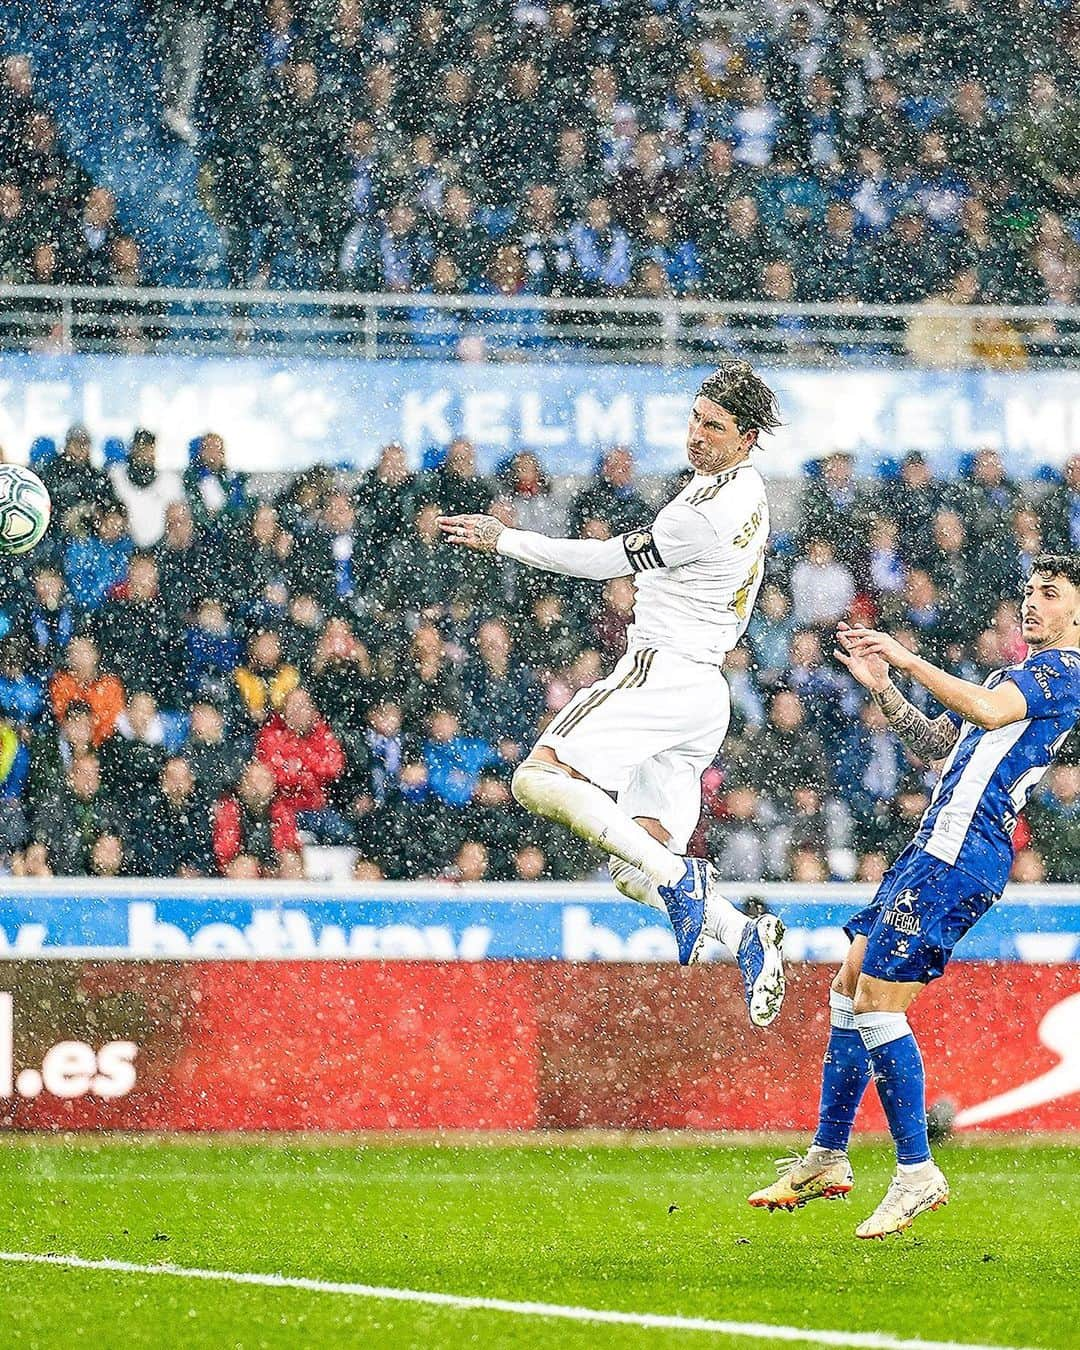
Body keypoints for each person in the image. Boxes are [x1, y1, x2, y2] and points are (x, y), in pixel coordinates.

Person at [438, 359, 786, 1027]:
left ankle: (688, 882)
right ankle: (742, 934)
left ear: (745, 439)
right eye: (694, 419)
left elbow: (602, 562)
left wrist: (505, 538)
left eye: (713, 427)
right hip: (703, 693)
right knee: (635, 869)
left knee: (536, 781)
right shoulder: (746, 489)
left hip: (665, 672)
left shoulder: (705, 515)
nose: (696, 436)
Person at [748, 555, 1080, 1237]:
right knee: (848, 983)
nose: (1032, 603)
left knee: (875, 1001)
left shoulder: (1063, 674)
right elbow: (938, 742)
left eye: (1050, 594)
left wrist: (904, 655)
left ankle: (917, 1173)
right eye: (1027, 591)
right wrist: (882, 686)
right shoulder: (1015, 676)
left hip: (962, 855)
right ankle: (829, 1155)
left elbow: (985, 712)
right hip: (931, 847)